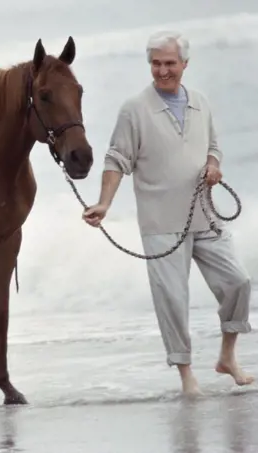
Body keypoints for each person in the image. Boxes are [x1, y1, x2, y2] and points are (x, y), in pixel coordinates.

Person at [82, 31, 253, 396]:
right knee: (173, 300)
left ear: (184, 65)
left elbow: (214, 147)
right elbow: (117, 160)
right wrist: (104, 203)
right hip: (162, 224)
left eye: (170, 63)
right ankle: (186, 374)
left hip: (206, 217)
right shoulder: (134, 109)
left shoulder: (201, 102)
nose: (162, 71)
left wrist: (213, 165)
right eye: (156, 63)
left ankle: (227, 358)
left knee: (238, 282)